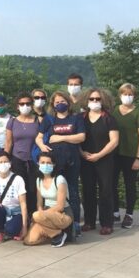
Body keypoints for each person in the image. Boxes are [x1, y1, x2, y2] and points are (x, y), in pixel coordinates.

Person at [36, 91, 86, 236]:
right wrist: (42, 147)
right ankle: (56, 220)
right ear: (53, 104)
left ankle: (75, 222)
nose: (60, 104)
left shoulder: (76, 119)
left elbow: (81, 137)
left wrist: (58, 138)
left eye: (62, 101)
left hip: (72, 161)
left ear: (68, 102)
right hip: (54, 162)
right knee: (56, 191)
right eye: (57, 102)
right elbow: (39, 138)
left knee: (73, 191)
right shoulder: (49, 119)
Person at [80, 88, 119, 235]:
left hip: (105, 160)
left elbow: (114, 141)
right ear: (86, 100)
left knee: (105, 191)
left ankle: (106, 223)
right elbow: (77, 138)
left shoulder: (108, 118)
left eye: (98, 99)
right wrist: (82, 153)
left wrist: (99, 155)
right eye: (92, 99)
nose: (95, 102)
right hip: (85, 159)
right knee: (88, 190)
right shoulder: (81, 118)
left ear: (103, 100)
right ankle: (89, 221)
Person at [112, 83, 139, 229]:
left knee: (129, 186)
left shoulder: (138, 112)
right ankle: (114, 212)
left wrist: (138, 158)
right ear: (120, 95)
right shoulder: (115, 110)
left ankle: (129, 215)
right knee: (112, 184)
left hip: (131, 155)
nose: (127, 97)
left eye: (130, 94)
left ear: (134, 96)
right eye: (124, 94)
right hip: (114, 154)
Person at [25, 152, 73, 247]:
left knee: (36, 215)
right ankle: (57, 234)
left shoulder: (59, 180)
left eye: (48, 163)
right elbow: (39, 203)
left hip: (62, 214)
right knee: (29, 241)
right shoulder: (39, 180)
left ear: (54, 164)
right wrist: (41, 213)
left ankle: (60, 231)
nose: (45, 165)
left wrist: (40, 215)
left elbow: (60, 206)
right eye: (42, 162)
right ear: (38, 163)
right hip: (46, 213)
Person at [5, 92, 40, 213]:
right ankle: (20, 216)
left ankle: (33, 215)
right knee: (20, 189)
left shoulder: (38, 121)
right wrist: (5, 159)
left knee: (33, 189)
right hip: (17, 159)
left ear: (32, 105)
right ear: (17, 106)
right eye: (22, 103)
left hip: (34, 160)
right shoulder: (12, 121)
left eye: (28, 103)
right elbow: (8, 143)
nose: (25, 106)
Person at [0, 152, 28, 243]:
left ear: (10, 163)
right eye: (0, 162)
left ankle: (14, 227)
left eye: (5, 162)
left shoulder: (18, 179)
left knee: (11, 230)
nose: (3, 164)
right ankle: (1, 231)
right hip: (3, 209)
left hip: (16, 211)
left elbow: (23, 203)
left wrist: (24, 226)